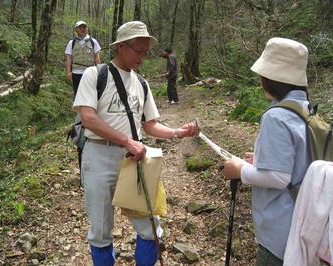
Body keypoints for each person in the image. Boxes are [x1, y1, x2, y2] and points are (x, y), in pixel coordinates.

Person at [73, 21, 198, 266]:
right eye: (138, 50)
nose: (142, 57)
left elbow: (150, 124)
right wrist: (126, 141)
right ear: (121, 46)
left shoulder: (141, 83)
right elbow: (88, 118)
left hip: (133, 161)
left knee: (151, 227)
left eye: (145, 52)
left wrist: (178, 132)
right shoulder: (95, 75)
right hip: (99, 156)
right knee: (100, 231)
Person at [222, 37, 311, 266]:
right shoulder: (306, 109)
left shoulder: (276, 116)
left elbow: (280, 178)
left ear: (271, 78)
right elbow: (298, 162)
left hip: (280, 234)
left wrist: (240, 170)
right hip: (305, 223)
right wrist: (260, 161)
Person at [65, 20, 102, 99]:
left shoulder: (93, 41)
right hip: (76, 72)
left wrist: (99, 72)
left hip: (90, 71)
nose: (82, 29)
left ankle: (90, 110)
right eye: (80, 27)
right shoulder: (72, 43)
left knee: (90, 94)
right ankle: (79, 111)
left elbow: (97, 57)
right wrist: (68, 72)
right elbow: (69, 58)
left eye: (84, 27)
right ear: (75, 29)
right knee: (77, 94)